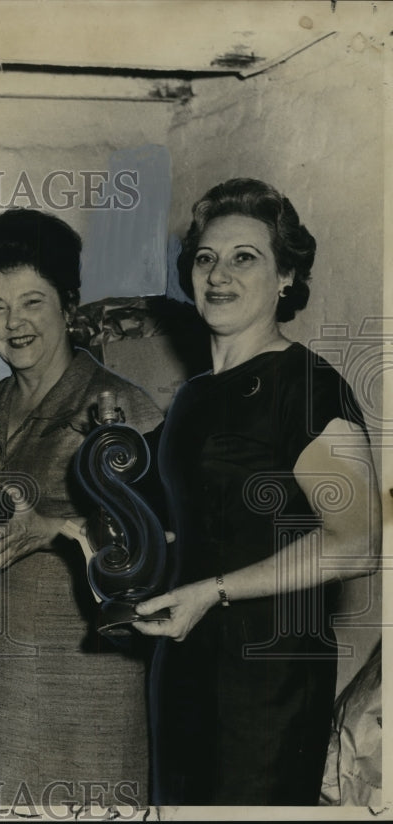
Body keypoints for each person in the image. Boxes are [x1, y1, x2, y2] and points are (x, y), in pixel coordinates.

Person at [132, 178, 381, 805]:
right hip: (186, 664)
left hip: (267, 683)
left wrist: (213, 591)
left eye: (246, 257)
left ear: (288, 277)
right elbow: (195, 527)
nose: (219, 274)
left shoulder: (305, 385)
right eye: (206, 258)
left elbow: (358, 543)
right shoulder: (193, 397)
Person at [0, 208, 164, 810]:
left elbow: (152, 560)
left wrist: (53, 529)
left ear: (69, 308)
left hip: (84, 697)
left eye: (32, 302)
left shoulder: (123, 409)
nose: (13, 322)